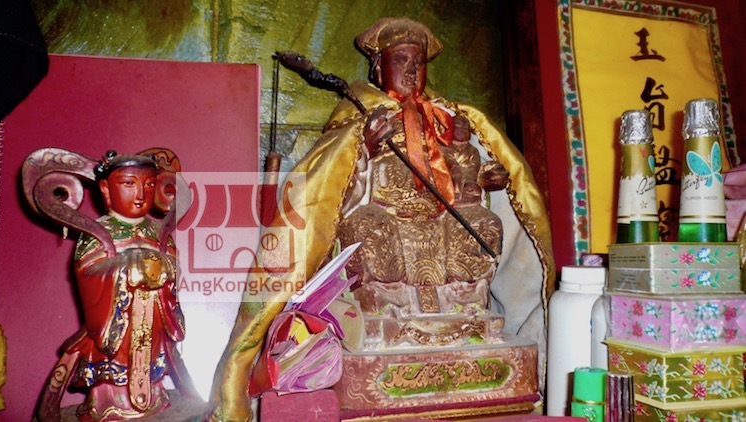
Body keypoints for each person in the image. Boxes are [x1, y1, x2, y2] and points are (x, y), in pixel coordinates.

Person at [210, 17, 554, 421]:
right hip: (385, 216)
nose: (412, 69)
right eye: (401, 60)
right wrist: (365, 151)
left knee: (483, 225)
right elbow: (333, 191)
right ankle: (383, 309)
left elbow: (471, 168)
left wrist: (486, 178)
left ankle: (467, 306)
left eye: (419, 62)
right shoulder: (357, 120)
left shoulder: (450, 119)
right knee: (367, 230)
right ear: (377, 68)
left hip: (443, 218)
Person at [35, 151, 185, 421]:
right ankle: (108, 404)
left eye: (149, 184)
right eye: (129, 184)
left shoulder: (157, 232)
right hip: (116, 321)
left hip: (152, 317)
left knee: (153, 358)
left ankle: (154, 398)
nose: (140, 194)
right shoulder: (97, 232)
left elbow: (173, 267)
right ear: (105, 189)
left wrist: (164, 269)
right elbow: (88, 273)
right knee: (112, 362)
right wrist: (125, 268)